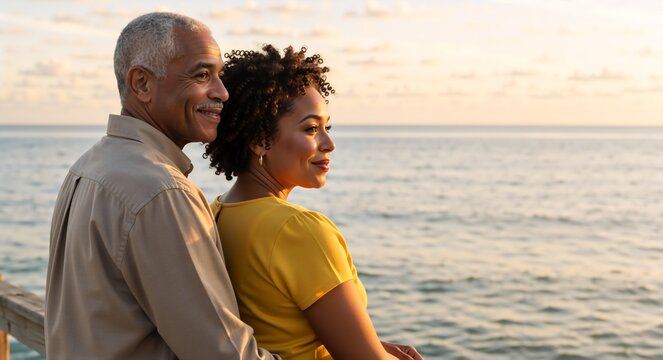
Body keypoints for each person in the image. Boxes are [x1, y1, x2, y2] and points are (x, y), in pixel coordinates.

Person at [45, 12, 279, 360]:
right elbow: (223, 354)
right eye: (202, 75)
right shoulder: (162, 191)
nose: (222, 92)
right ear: (141, 84)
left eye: (220, 76)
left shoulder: (88, 167)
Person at [205, 45, 424, 360]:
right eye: (311, 129)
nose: (329, 143)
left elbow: (278, 326)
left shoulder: (216, 214)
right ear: (258, 140)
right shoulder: (298, 230)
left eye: (327, 127)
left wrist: (372, 345)